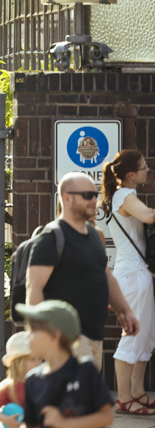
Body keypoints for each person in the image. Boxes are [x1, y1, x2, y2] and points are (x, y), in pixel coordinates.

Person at [27, 172, 140, 371]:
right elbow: (34, 287)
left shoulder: (96, 236)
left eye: (95, 194)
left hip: (94, 337)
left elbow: (106, 277)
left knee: (85, 401)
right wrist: (40, 336)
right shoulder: (52, 237)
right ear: (67, 197)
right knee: (71, 401)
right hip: (67, 340)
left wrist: (125, 311)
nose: (94, 200)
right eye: (87, 195)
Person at [100, 150, 155, 413]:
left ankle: (136, 391)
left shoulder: (123, 194)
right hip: (132, 274)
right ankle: (123, 398)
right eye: (144, 167)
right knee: (133, 334)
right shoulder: (124, 195)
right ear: (131, 174)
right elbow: (148, 216)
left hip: (136, 272)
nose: (148, 170)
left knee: (144, 334)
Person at [17, 300, 114, 428]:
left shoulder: (86, 370)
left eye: (33, 330)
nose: (27, 336)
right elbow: (30, 424)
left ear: (55, 336)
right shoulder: (32, 380)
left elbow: (107, 417)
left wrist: (65, 424)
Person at [0, 332, 42, 427]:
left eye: (40, 359)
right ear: (19, 363)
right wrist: (7, 420)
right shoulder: (10, 387)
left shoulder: (42, 381)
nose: (39, 363)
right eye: (33, 359)